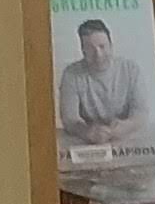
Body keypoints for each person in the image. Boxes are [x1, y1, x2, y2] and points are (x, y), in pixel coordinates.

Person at [54, 16, 149, 155]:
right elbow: (69, 119)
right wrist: (87, 132)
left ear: (111, 45)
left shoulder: (131, 69)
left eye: (102, 47)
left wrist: (125, 126)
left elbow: (141, 112)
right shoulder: (71, 74)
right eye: (90, 48)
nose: (98, 54)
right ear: (82, 50)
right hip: (87, 145)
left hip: (127, 142)